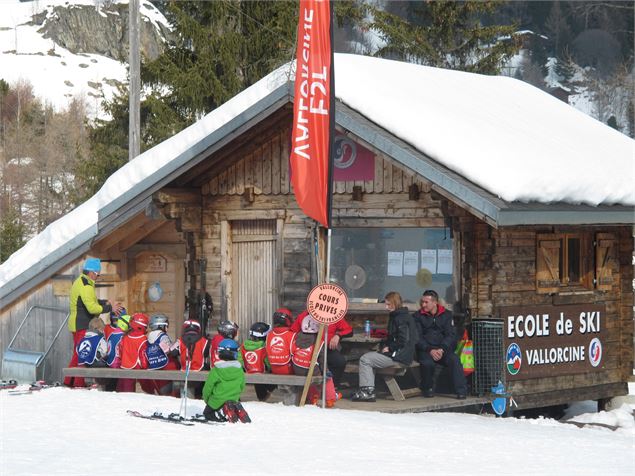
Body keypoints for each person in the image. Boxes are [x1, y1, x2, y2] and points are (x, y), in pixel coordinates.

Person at [65, 257, 123, 387]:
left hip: (78, 323)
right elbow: (91, 308)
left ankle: (70, 382)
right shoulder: (86, 286)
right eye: (98, 273)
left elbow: (91, 302)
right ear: (91, 272)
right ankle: (76, 383)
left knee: (78, 353)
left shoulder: (81, 281)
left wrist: (104, 302)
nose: (98, 276)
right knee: (82, 354)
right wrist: (109, 308)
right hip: (81, 324)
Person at [351, 291, 417, 402]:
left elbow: (403, 340)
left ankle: (367, 391)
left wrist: (390, 348)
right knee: (369, 357)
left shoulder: (400, 318)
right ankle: (367, 389)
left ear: (395, 303)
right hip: (400, 354)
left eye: (388, 304)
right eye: (386, 304)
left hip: (400, 357)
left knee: (365, 359)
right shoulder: (398, 316)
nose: (386, 307)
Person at [413, 289, 467, 399]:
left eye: (426, 302)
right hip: (426, 349)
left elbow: (450, 335)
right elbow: (417, 337)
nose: (423, 305)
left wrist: (442, 348)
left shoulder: (446, 315)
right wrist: (429, 349)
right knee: (427, 363)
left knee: (455, 360)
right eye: (422, 302)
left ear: (435, 302)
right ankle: (427, 388)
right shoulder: (417, 316)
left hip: (443, 349)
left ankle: (461, 391)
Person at [291, 309, 352, 388]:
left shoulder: (333, 315)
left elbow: (349, 330)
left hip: (326, 348)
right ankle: (308, 387)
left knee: (339, 362)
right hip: (308, 348)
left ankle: (332, 387)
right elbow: (293, 332)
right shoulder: (304, 315)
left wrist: (338, 335)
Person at [202, 339, 247, 423]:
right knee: (229, 403)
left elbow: (208, 386)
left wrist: (207, 399)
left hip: (217, 401)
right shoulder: (239, 369)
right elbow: (242, 385)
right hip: (234, 398)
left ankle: (220, 413)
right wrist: (236, 395)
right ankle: (231, 409)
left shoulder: (216, 369)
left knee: (207, 413)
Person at [170, 320, 210, 398]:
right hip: (199, 372)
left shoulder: (180, 340)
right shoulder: (204, 341)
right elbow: (206, 354)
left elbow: (173, 353)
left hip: (184, 372)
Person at [142, 313, 180, 396]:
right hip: (167, 368)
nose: (167, 327)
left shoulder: (149, 336)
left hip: (154, 367)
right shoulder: (162, 336)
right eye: (166, 325)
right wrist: (178, 343)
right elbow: (168, 350)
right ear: (160, 326)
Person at [239, 322, 275, 401]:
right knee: (267, 374)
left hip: (247, 372)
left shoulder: (243, 346)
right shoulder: (264, 347)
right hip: (262, 374)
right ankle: (263, 397)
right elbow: (268, 363)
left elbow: (239, 360)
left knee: (256, 375)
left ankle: (262, 397)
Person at [117, 313, 149, 392]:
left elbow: (120, 352)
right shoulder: (143, 339)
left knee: (123, 388)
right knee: (130, 392)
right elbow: (143, 357)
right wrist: (145, 366)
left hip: (124, 366)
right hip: (137, 367)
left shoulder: (125, 337)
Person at [266, 308, 296, 375]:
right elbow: (296, 352)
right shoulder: (291, 335)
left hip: (274, 369)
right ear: (288, 320)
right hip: (288, 370)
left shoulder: (269, 335)